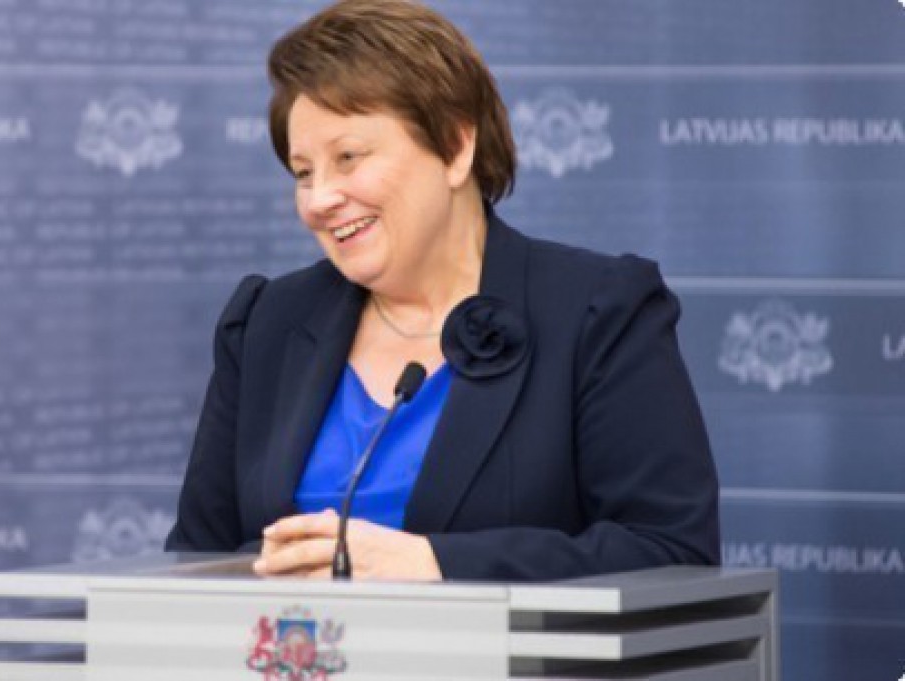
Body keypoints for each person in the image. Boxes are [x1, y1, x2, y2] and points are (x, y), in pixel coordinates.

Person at [165, 0, 719, 581]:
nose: (319, 200)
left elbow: (671, 551)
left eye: (348, 158)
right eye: (304, 173)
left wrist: (435, 563)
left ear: (455, 147)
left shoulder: (598, 312)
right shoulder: (268, 322)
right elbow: (196, 560)